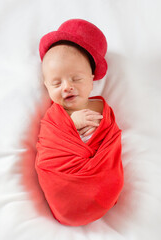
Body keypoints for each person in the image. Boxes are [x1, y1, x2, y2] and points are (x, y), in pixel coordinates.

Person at [35, 19, 123, 226]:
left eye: (76, 79)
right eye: (57, 83)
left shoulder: (104, 110)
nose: (67, 87)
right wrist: (71, 124)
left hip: (100, 184)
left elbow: (112, 143)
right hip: (64, 186)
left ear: (92, 79)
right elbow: (49, 151)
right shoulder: (54, 118)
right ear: (46, 86)